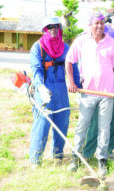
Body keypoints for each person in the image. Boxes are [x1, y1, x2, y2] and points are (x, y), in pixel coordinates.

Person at [65, 13, 114, 177]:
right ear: (90, 24)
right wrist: (71, 82)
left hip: (107, 94)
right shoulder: (82, 41)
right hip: (88, 93)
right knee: (82, 126)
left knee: (104, 128)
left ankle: (102, 160)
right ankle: (75, 158)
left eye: (102, 23)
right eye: (96, 23)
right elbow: (69, 61)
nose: (99, 26)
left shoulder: (113, 43)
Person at [83, 4, 114, 160]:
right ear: (112, 16)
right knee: (94, 122)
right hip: (99, 86)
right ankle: (88, 152)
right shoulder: (103, 31)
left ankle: (108, 150)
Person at [29, 17, 79, 168]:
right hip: (44, 89)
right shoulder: (37, 47)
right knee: (42, 123)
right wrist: (39, 86)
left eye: (55, 26)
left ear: (59, 28)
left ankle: (58, 154)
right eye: (49, 26)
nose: (53, 28)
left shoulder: (65, 48)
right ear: (45, 29)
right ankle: (35, 159)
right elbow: (36, 69)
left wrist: (76, 83)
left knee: (62, 121)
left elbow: (73, 67)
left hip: (61, 89)